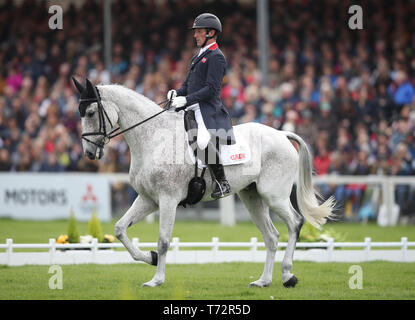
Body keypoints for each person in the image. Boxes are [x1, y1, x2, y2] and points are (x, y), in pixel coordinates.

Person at [168, 13, 235, 199]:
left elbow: (211, 89)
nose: (195, 35)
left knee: (203, 141)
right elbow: (188, 84)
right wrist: (177, 93)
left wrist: (187, 100)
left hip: (207, 109)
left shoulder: (216, 56)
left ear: (210, 32)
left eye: (198, 32)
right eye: (195, 32)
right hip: (192, 106)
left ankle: (223, 182)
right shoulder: (199, 55)